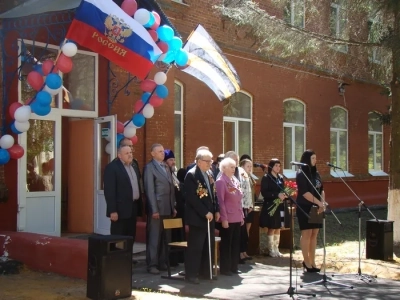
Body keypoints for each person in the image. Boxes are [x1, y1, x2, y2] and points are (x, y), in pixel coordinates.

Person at [184, 149, 219, 284]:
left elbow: (213, 194)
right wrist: (205, 212)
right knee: (195, 247)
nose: (210, 163)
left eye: (211, 161)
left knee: (207, 246)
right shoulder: (192, 175)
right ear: (199, 162)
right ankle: (191, 274)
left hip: (209, 217)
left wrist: (216, 210)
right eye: (207, 161)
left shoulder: (209, 173)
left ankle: (206, 272)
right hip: (197, 218)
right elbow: (192, 199)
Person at [143, 144, 176, 275]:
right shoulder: (149, 167)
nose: (163, 153)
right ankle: (152, 264)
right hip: (157, 208)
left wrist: (173, 206)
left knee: (165, 237)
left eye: (163, 151)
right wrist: (154, 209)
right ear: (152, 153)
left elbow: (171, 188)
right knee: (154, 237)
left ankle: (163, 262)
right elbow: (150, 190)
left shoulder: (166, 167)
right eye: (159, 151)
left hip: (167, 207)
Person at [104, 144, 141, 244]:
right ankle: (117, 259)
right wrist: (113, 210)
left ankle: (128, 258)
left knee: (130, 236)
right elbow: (109, 190)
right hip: (120, 211)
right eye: (126, 153)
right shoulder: (112, 167)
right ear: (119, 155)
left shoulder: (134, 166)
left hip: (132, 208)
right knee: (119, 238)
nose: (130, 155)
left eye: (130, 152)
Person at [296, 149, 325, 272]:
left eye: (315, 158)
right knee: (307, 234)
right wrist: (319, 203)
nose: (315, 160)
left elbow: (322, 189)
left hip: (317, 207)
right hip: (305, 207)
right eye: (312, 158)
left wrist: (322, 203)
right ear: (307, 159)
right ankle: (306, 261)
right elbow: (305, 193)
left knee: (314, 234)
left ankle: (313, 262)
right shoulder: (301, 173)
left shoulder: (316, 174)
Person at [216, 157, 244, 276]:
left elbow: (239, 200)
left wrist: (242, 216)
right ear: (224, 168)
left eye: (234, 167)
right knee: (227, 243)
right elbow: (220, 201)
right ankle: (225, 268)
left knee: (235, 242)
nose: (234, 169)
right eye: (231, 167)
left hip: (237, 216)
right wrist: (224, 219)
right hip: (228, 217)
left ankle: (234, 266)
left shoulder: (235, 180)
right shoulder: (221, 181)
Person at [259, 159, 286, 257]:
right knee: (272, 227)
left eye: (279, 166)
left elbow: (283, 189)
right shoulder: (267, 178)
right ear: (271, 167)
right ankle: (271, 249)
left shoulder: (280, 177)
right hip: (270, 205)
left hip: (280, 205)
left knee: (278, 227)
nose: (278, 168)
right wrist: (276, 195)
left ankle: (276, 248)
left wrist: (285, 194)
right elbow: (264, 192)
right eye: (276, 166)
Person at [163, 149, 185, 266]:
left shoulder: (174, 174)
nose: (173, 162)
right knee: (172, 236)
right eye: (171, 160)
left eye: (174, 160)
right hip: (173, 209)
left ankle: (179, 258)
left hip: (180, 210)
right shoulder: (166, 174)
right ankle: (171, 259)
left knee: (179, 234)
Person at [239, 158, 255, 262]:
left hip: (249, 205)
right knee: (243, 231)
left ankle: (244, 251)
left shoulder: (249, 177)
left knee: (246, 231)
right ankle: (241, 252)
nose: (250, 168)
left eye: (251, 166)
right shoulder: (242, 176)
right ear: (242, 166)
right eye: (247, 166)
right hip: (243, 206)